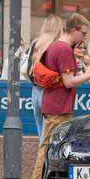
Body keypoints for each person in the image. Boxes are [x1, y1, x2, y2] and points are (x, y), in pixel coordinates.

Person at [29, 14, 90, 179]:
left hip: (53, 103)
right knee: (48, 146)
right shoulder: (64, 50)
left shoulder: (55, 46)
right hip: (58, 105)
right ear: (74, 30)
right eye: (84, 33)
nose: (85, 37)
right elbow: (69, 82)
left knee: (50, 146)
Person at [27, 15, 63, 145]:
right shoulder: (58, 46)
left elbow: (28, 70)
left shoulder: (36, 44)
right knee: (47, 140)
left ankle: (40, 163)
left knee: (41, 134)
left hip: (35, 91)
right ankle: (42, 165)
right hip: (49, 93)